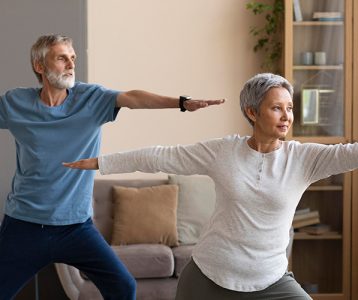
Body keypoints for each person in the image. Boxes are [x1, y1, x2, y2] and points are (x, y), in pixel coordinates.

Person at [63, 72, 358, 300]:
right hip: (209, 277)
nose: (286, 116)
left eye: (289, 108)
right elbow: (159, 156)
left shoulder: (304, 159)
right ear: (252, 112)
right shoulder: (224, 152)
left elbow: (350, 154)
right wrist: (101, 162)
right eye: (276, 108)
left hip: (270, 281)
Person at [0, 34, 224, 300]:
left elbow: (133, 98)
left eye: (73, 58)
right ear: (40, 66)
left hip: (76, 228)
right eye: (62, 58)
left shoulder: (90, 98)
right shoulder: (16, 103)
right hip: (25, 224)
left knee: (123, 287)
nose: (71, 64)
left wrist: (181, 103)